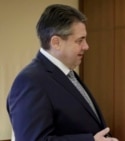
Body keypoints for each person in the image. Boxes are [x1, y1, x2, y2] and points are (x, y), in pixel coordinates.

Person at [7, 4, 118, 141]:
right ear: (56, 42)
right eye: (80, 40)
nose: (86, 46)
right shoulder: (30, 81)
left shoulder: (67, 74)